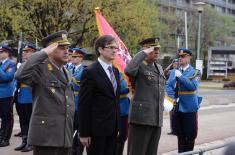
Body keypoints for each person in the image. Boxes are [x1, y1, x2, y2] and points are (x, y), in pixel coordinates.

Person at [15, 30, 75, 155]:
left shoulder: (66, 71)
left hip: (64, 135)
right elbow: (20, 75)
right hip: (46, 137)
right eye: (61, 47)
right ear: (50, 50)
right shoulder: (40, 68)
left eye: (68, 47)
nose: (66, 51)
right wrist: (42, 53)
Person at [78, 35, 120, 155]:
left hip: (113, 128)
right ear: (100, 50)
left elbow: (114, 99)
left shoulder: (115, 71)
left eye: (116, 48)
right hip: (96, 130)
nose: (114, 50)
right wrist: (84, 132)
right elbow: (84, 104)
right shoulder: (90, 71)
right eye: (111, 47)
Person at [125, 37, 165, 155]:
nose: (157, 51)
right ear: (145, 50)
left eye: (158, 49)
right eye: (153, 49)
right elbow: (129, 70)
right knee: (137, 152)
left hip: (156, 119)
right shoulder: (139, 66)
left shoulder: (159, 68)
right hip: (141, 119)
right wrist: (143, 53)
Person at [167, 48, 201, 153]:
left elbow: (192, 86)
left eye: (183, 56)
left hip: (190, 107)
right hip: (177, 107)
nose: (180, 58)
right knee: (180, 135)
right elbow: (168, 86)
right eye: (179, 56)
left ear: (188, 58)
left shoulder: (195, 72)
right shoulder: (175, 71)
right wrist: (173, 98)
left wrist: (181, 77)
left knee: (190, 135)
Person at [14, 44, 37, 152]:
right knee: (23, 120)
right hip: (21, 94)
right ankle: (24, 141)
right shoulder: (22, 64)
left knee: (30, 120)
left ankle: (31, 143)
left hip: (30, 94)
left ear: (33, 52)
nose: (24, 53)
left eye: (27, 51)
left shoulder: (36, 64)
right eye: (24, 51)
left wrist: (21, 70)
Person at [70, 48, 86, 155]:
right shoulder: (68, 68)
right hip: (69, 103)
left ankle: (78, 151)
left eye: (76, 57)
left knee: (79, 131)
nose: (73, 58)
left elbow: (74, 83)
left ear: (81, 58)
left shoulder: (84, 71)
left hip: (78, 103)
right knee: (70, 130)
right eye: (72, 56)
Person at [0, 45, 16, 147]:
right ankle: (1, 136)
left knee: (7, 117)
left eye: (1, 52)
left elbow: (7, 78)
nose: (0, 54)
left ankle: (6, 138)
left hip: (6, 94)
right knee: (2, 117)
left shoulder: (11, 64)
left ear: (7, 53)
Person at [116, 72, 130, 155]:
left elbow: (125, 88)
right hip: (111, 107)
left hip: (124, 108)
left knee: (123, 136)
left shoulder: (124, 73)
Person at [165, 58, 179, 135]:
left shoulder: (179, 71)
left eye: (176, 63)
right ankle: (173, 130)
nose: (175, 65)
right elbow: (164, 73)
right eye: (174, 63)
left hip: (175, 96)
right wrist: (170, 66)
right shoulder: (171, 71)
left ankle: (176, 130)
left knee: (176, 113)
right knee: (172, 113)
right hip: (171, 96)